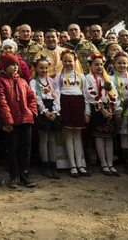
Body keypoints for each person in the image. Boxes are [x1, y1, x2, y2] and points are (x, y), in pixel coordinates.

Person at [0, 53, 38, 188]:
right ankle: (14, 176)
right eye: (11, 65)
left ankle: (25, 174)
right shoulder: (0, 81)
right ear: (5, 67)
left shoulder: (23, 81)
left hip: (26, 119)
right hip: (12, 121)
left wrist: (31, 112)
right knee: (12, 148)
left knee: (26, 148)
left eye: (16, 65)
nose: (14, 67)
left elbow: (32, 97)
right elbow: (1, 102)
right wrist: (8, 120)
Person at [53, 49, 90, 178]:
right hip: (66, 105)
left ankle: (80, 165)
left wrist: (87, 111)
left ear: (75, 61)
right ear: (62, 62)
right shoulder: (59, 76)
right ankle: (72, 165)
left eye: (71, 61)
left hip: (78, 105)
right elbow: (56, 94)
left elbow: (86, 94)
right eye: (65, 61)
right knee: (68, 136)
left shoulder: (81, 76)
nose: (68, 63)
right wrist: (57, 110)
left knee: (78, 136)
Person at [85, 53, 121, 177]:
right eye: (96, 64)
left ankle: (110, 163)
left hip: (109, 110)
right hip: (97, 110)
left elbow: (114, 93)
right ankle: (103, 163)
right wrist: (101, 109)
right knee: (100, 138)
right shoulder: (88, 78)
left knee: (109, 138)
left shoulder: (108, 78)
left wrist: (112, 108)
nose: (99, 67)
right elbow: (90, 94)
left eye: (101, 64)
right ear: (90, 65)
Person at [30, 56, 62, 179]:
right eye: (41, 68)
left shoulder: (53, 82)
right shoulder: (33, 82)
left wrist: (55, 110)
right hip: (43, 110)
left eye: (45, 68)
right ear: (36, 69)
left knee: (52, 139)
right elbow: (35, 97)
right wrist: (44, 111)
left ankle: (53, 164)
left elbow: (57, 95)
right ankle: (45, 165)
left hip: (52, 108)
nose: (43, 70)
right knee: (44, 139)